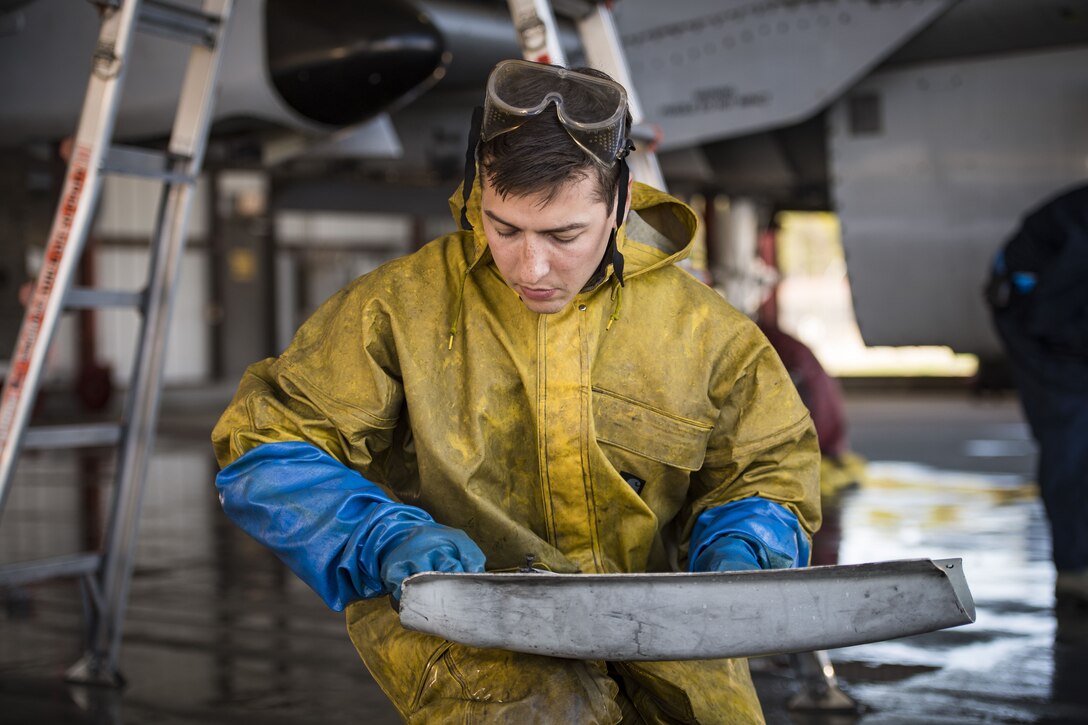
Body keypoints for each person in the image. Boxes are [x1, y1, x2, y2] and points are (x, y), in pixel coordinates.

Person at [212, 60, 821, 723]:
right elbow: (264, 444)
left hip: (674, 648)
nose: (530, 266)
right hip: (480, 649)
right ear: (479, 193)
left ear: (619, 205)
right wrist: (378, 535)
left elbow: (767, 469)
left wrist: (747, 543)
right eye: (504, 228)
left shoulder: (708, 333)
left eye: (563, 235)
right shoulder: (398, 307)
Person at [986, 182, 1088, 611]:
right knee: (1071, 438)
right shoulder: (1074, 234)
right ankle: (1076, 571)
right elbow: (1057, 317)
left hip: (1062, 318)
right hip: (1047, 327)